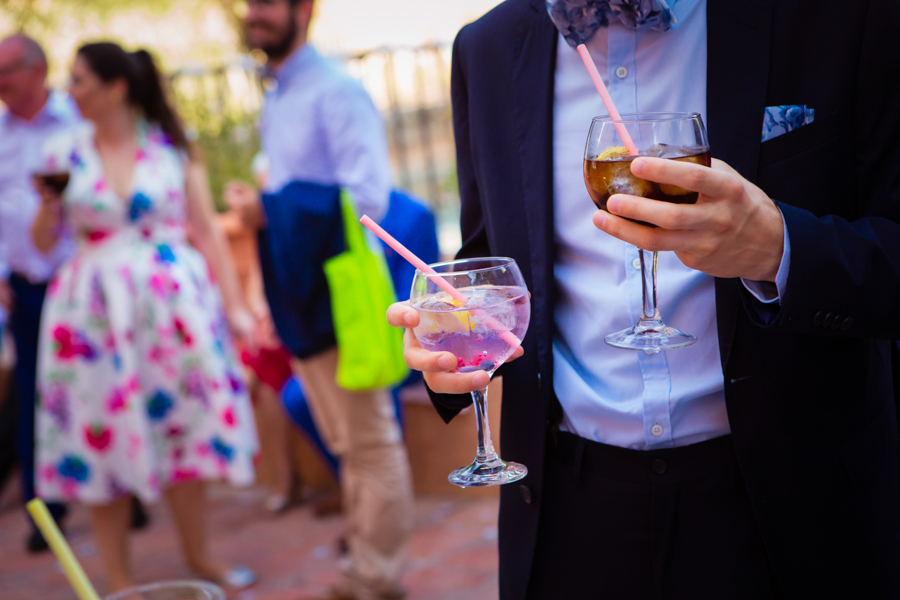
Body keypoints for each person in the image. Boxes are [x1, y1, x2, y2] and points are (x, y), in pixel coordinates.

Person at [387, 0, 900, 598]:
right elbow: (493, 265)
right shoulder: (486, 47)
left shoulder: (846, 16)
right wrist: (448, 346)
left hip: (792, 509)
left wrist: (779, 248)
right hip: (568, 517)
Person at [30, 41, 258, 593]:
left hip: (170, 311)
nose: (70, 90)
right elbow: (41, 244)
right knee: (101, 436)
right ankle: (118, 577)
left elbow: (205, 230)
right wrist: (48, 206)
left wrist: (236, 307)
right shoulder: (63, 150)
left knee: (184, 428)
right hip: (92, 316)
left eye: (80, 80)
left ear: (116, 86)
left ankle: (200, 555)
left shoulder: (170, 150)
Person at [226, 1, 414, 598]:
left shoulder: (337, 92)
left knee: (369, 440)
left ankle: (378, 574)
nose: (254, 13)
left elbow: (368, 198)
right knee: (345, 442)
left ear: (303, 9)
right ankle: (364, 552)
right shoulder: (278, 92)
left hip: (341, 291)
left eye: (267, 2)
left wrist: (271, 208)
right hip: (299, 289)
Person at [0, 33, 81, 553]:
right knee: (35, 396)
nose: (1, 83)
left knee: (97, 390)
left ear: (38, 69)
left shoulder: (79, 121)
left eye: (8, 70)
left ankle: (125, 498)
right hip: (26, 287)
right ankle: (43, 511)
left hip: (83, 283)